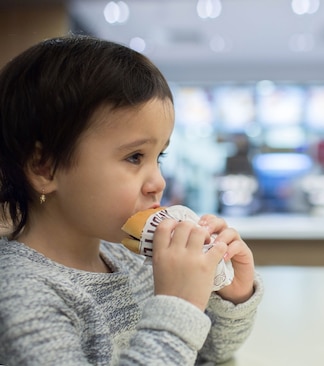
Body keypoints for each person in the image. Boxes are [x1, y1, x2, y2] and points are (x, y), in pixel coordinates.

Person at [0, 35, 263, 365]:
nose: (158, 182)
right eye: (135, 157)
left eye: (159, 157)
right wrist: (176, 308)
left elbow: (203, 355)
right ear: (45, 167)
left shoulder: (133, 262)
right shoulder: (19, 295)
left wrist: (229, 295)